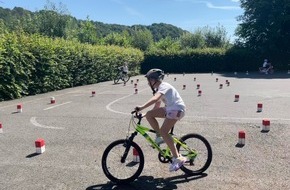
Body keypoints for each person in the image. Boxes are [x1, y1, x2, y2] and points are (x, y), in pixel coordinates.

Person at [134, 68, 187, 172]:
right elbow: (156, 106)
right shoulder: (159, 89)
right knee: (150, 115)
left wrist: (141, 107)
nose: (148, 83)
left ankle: (178, 158)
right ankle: (159, 137)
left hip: (177, 109)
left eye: (148, 80)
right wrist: (145, 114)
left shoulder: (163, 86)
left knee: (164, 131)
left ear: (153, 80)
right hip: (171, 109)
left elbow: (154, 99)